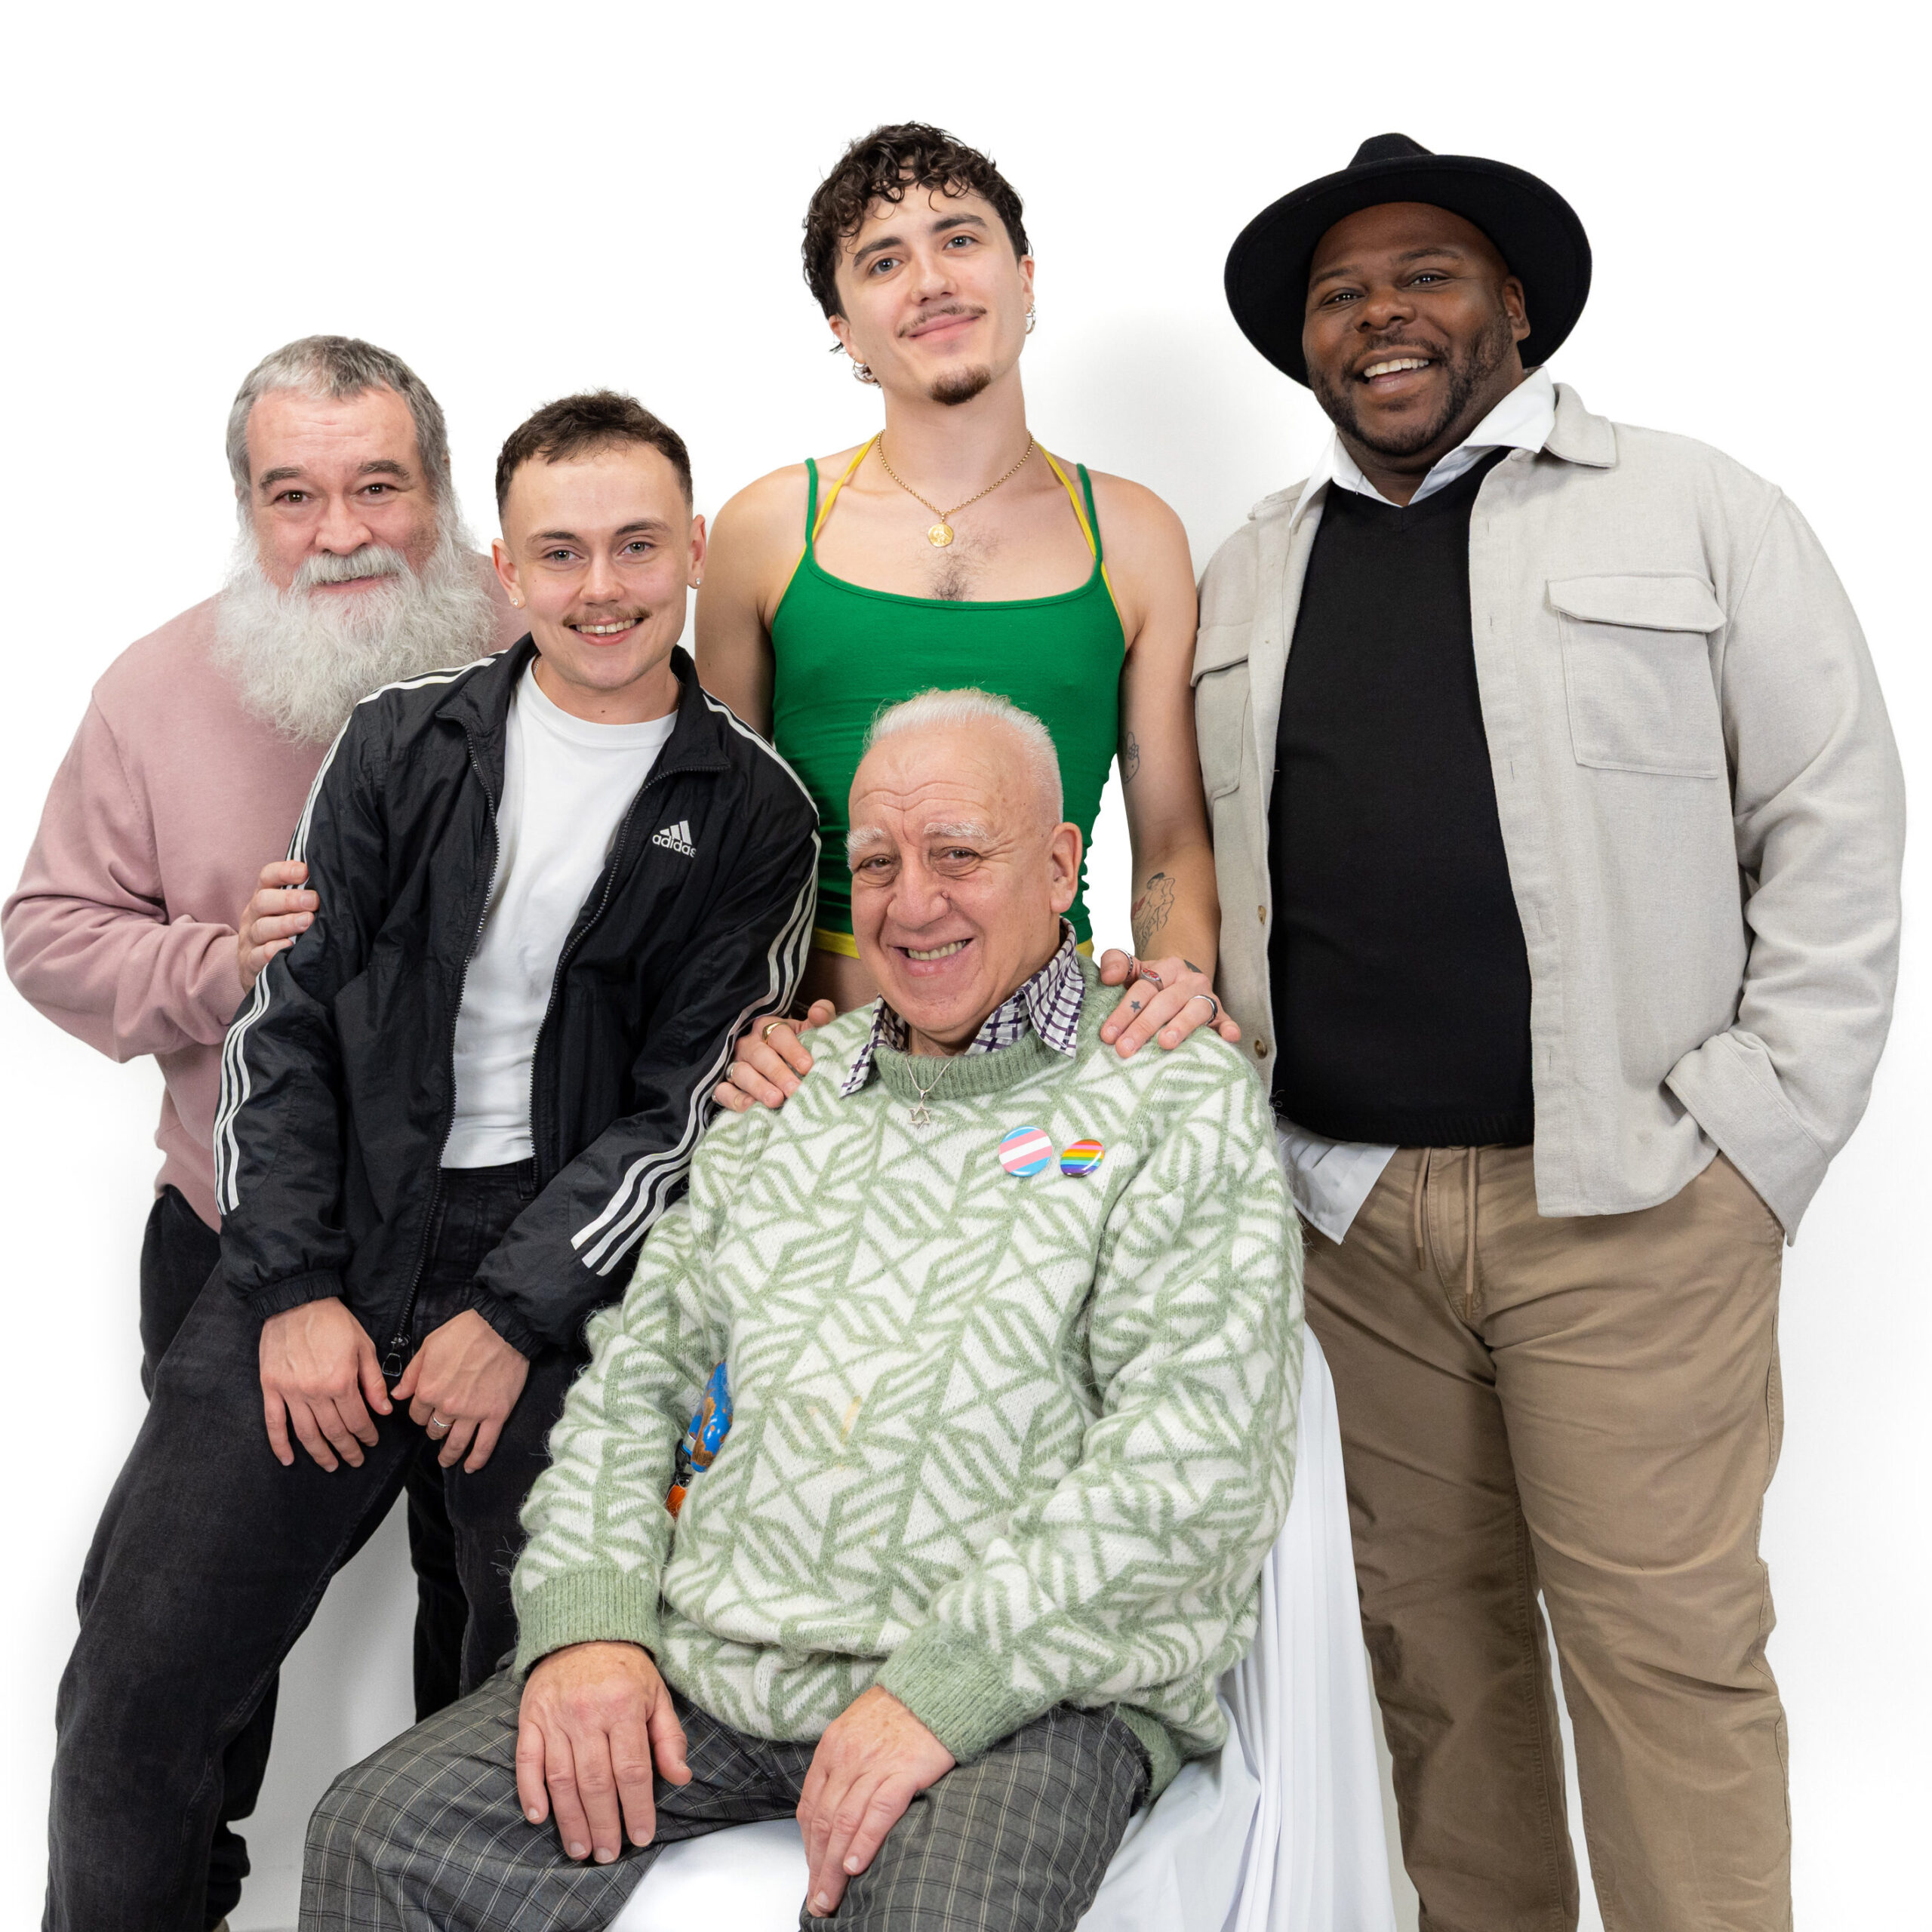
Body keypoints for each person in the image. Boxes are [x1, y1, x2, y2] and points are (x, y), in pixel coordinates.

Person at [1199, 133, 1905, 1931]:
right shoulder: (1254, 568)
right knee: (1434, 1673)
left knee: (1663, 1665)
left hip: (1630, 1210)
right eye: (1338, 294)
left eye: (1423, 273)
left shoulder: (1691, 507)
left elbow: (1831, 816)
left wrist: (1754, 1140)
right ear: (1305, 350)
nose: (1381, 315)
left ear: (1509, 304)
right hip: (1345, 1223)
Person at [301, 689, 1302, 1932]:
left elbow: (1191, 1454)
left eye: (958, 855)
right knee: (377, 1838)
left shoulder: (1167, 1089)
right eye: (877, 863)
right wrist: (591, 1627)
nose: (912, 902)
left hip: (1030, 1694)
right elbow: (637, 1380)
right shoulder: (791, 1083)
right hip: (713, 1664)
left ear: (1059, 866)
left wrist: (941, 1690)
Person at [42, 391, 820, 1932]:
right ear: (505, 565)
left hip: (559, 1270)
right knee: (138, 1678)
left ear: (692, 550)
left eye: (635, 544)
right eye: (561, 550)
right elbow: (289, 1026)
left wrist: (514, 1312)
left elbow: (677, 1109)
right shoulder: (401, 743)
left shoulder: (754, 812)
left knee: (520, 1719)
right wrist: (294, 1287)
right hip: (326, 1243)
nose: (600, 584)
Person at [5, 333, 522, 1930]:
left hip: (509, 1262)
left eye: (378, 483)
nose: (340, 529)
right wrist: (220, 964)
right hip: (250, 1240)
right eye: (293, 495)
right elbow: (44, 931)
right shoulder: (158, 690)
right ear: (247, 510)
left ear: (438, 492)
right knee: (170, 1668)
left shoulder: (551, 638)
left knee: (501, 1639)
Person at [702, 122, 1238, 1117]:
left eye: (959, 239)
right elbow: (709, 830)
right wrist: (737, 1024)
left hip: (1051, 1078)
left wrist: (1176, 986)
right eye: (883, 260)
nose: (931, 280)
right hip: (811, 1080)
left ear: (1024, 278)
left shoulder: (1134, 535)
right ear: (843, 326)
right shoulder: (769, 529)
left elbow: (1169, 833)